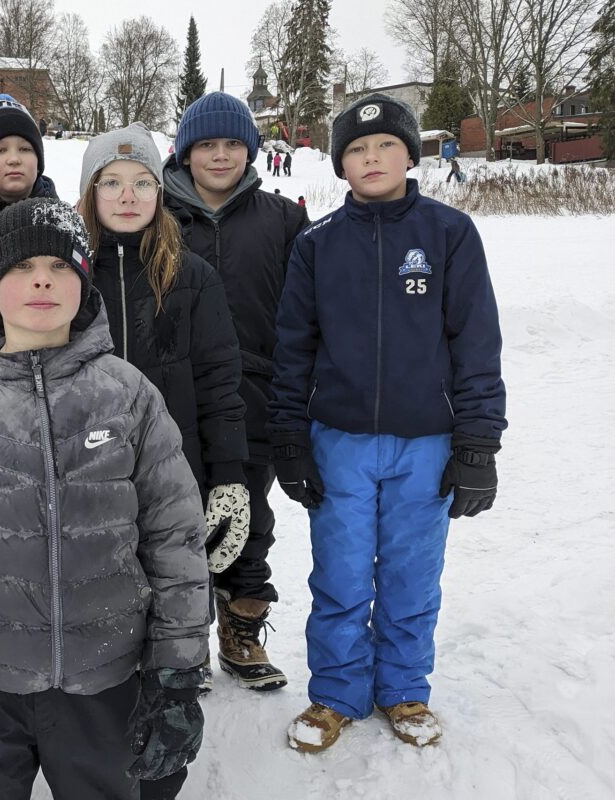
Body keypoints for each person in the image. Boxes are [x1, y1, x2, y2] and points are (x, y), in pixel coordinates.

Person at [0, 198, 211, 800]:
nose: (41, 279)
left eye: (60, 267)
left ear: (83, 282)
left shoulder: (128, 395)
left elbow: (175, 540)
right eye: (22, 266)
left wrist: (176, 671)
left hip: (105, 676)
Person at [270, 94, 506, 753]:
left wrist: (479, 443)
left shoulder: (449, 235)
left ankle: (404, 688)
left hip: (426, 441)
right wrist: (289, 435)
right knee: (340, 575)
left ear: (412, 154)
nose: (372, 158)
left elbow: (476, 343)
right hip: (339, 439)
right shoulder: (316, 245)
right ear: (341, 164)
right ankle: (337, 694)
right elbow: (292, 347)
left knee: (411, 573)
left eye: (385, 147)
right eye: (357, 149)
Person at [77, 122, 248, 800]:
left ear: (159, 189)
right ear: (90, 193)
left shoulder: (191, 276)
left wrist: (230, 478)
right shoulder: (63, 272)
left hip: (174, 490)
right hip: (85, 491)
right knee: (97, 631)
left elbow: (221, 386)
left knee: (171, 630)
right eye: (111, 183)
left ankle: (160, 769)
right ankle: (92, 759)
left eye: (141, 182)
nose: (127, 195)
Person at [163, 91, 308, 694]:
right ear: (185, 152)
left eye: (231, 144)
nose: (219, 156)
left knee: (247, 515)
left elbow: (307, 313)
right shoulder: (158, 215)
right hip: (172, 393)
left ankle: (242, 626)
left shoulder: (281, 220)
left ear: (250, 149)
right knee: (169, 519)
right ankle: (179, 638)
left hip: (255, 394)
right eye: (206, 145)